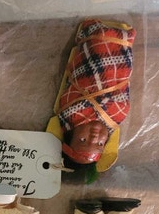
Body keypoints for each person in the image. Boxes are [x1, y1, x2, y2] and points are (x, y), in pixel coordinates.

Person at [50, 19, 136, 171]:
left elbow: (72, 91)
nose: (95, 137)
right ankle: (117, 38)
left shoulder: (70, 112)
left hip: (91, 66)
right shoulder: (116, 117)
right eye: (100, 144)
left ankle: (97, 34)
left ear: (70, 135)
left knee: (97, 49)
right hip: (119, 66)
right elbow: (123, 102)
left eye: (83, 140)